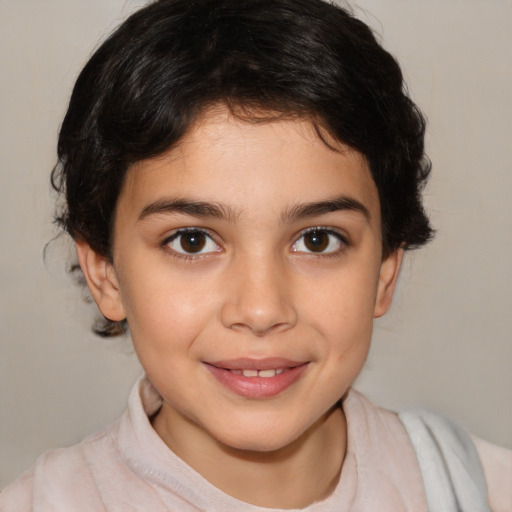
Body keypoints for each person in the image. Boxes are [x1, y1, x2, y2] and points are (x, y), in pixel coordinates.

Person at [1, 0, 510, 510]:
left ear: (385, 268)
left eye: (317, 240)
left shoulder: (480, 489)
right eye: (192, 241)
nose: (262, 310)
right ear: (105, 272)